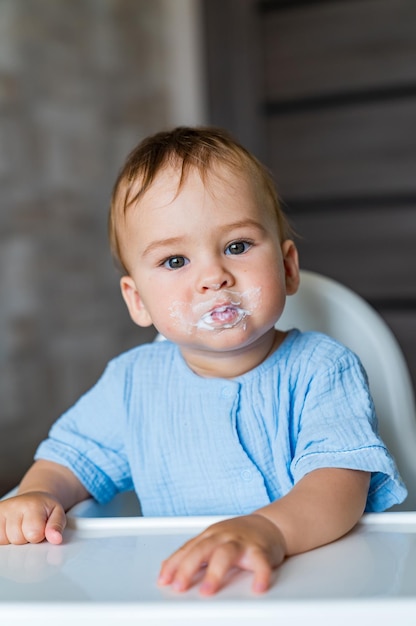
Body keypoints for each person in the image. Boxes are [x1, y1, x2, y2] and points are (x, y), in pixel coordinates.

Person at [0, 126, 407, 596]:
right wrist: (38, 494)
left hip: (311, 587)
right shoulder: (133, 383)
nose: (213, 276)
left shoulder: (322, 368)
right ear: (138, 301)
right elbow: (70, 460)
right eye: (175, 261)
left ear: (287, 267)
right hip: (184, 590)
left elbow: (338, 489)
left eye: (237, 246)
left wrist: (268, 531)